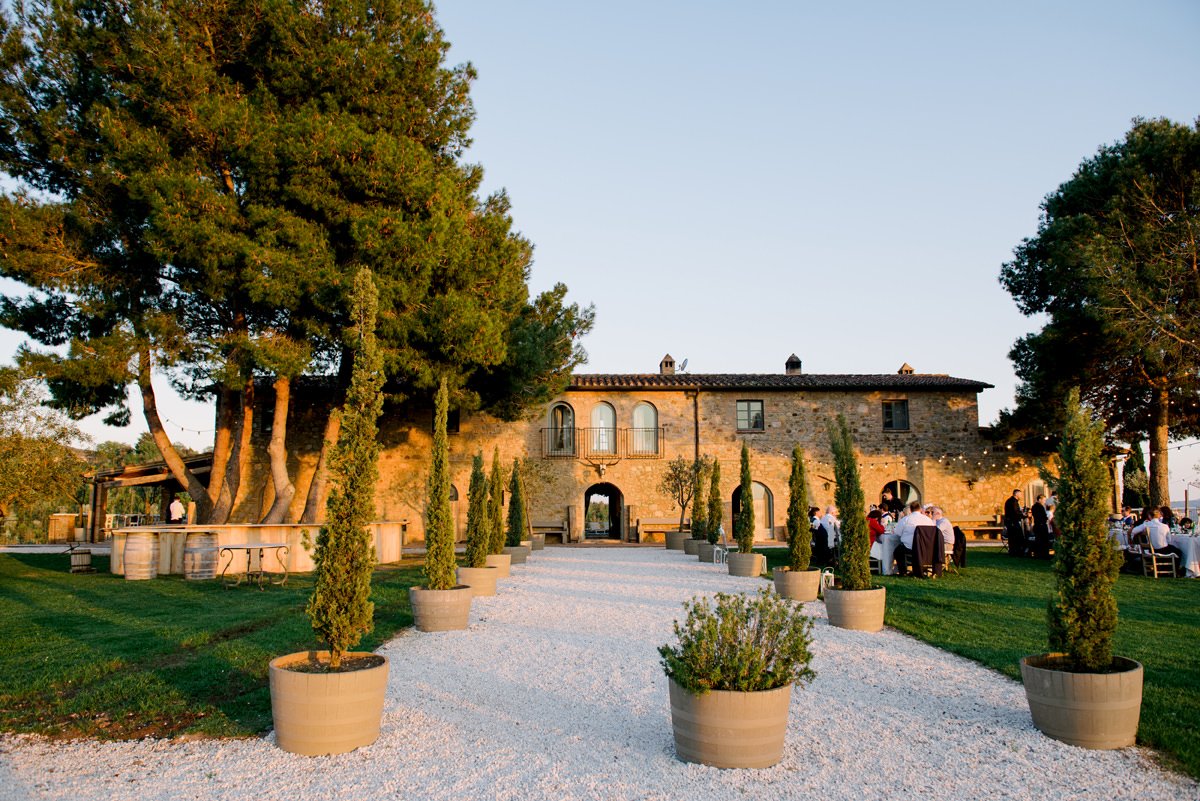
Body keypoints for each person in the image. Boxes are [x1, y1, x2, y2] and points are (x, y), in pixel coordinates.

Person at [893, 501, 934, 577]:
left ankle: (903, 572)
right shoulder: (928, 520)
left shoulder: (906, 519)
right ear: (920, 509)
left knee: (897, 551)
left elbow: (897, 533)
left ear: (911, 510)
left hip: (910, 548)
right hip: (926, 547)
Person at [1003, 488, 1025, 557]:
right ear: (1016, 494)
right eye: (1020, 494)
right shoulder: (1013, 502)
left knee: (1012, 538)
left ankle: (1013, 552)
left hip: (1010, 522)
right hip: (1013, 522)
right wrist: (1023, 515)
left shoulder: (1011, 501)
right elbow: (1015, 512)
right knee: (1016, 537)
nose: (1021, 496)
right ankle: (1016, 552)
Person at [1030, 494, 1051, 559]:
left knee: (1039, 540)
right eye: (1044, 500)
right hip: (1041, 525)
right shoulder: (1039, 507)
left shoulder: (1034, 506)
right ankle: (1043, 554)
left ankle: (1039, 554)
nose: (1045, 501)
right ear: (1039, 500)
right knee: (1043, 540)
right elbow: (1042, 517)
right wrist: (1046, 518)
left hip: (1037, 525)